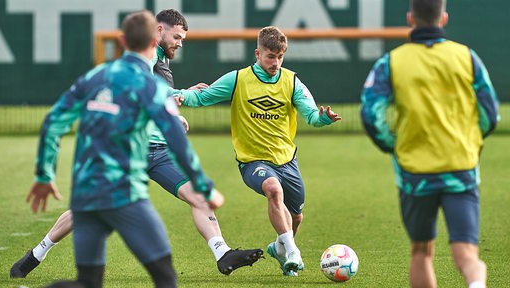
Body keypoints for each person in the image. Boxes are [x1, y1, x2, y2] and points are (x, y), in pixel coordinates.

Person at [10, 8, 262, 280]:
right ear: (157, 32)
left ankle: (222, 252)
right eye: (177, 36)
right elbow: (139, 90)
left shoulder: (153, 61)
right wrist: (173, 110)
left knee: (191, 201)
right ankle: (38, 252)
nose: (180, 42)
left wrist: (174, 106)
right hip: (129, 154)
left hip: (156, 151)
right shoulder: (148, 56)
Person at [172, 26, 341, 276]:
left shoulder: (292, 81)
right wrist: (179, 96)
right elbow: (203, 97)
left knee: (296, 218)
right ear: (257, 54)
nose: (275, 62)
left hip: (286, 161)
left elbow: (312, 116)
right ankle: (293, 251)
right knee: (273, 190)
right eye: (270, 56)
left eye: (280, 57)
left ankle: (280, 248)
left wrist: (324, 118)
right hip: (253, 162)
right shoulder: (238, 79)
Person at [360, 1, 500, 287]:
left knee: (421, 252)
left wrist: (394, 145)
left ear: (410, 18)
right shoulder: (467, 57)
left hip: (415, 174)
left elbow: (370, 114)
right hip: (460, 168)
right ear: (444, 18)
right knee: (467, 255)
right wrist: (469, 142)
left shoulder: (391, 62)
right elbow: (490, 115)